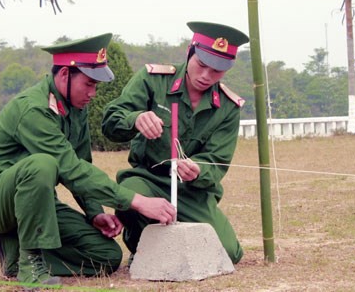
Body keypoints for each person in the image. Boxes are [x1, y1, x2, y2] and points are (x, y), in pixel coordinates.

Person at [0, 34, 176, 290]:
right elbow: (71, 169)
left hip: (39, 204)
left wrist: (95, 212)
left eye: (96, 86)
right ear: (65, 75)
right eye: (88, 84)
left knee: (106, 257)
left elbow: (82, 163)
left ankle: (13, 253)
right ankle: (31, 266)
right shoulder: (35, 110)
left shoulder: (75, 107)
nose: (93, 93)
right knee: (42, 164)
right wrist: (138, 201)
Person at [101, 21, 249, 264]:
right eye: (201, 65)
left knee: (227, 253)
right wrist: (135, 118)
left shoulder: (228, 107)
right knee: (130, 197)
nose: (206, 76)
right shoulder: (153, 80)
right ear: (189, 52)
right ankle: (142, 247)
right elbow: (110, 122)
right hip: (148, 179)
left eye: (217, 71)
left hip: (192, 192)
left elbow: (217, 163)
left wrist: (198, 170)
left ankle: (174, 248)